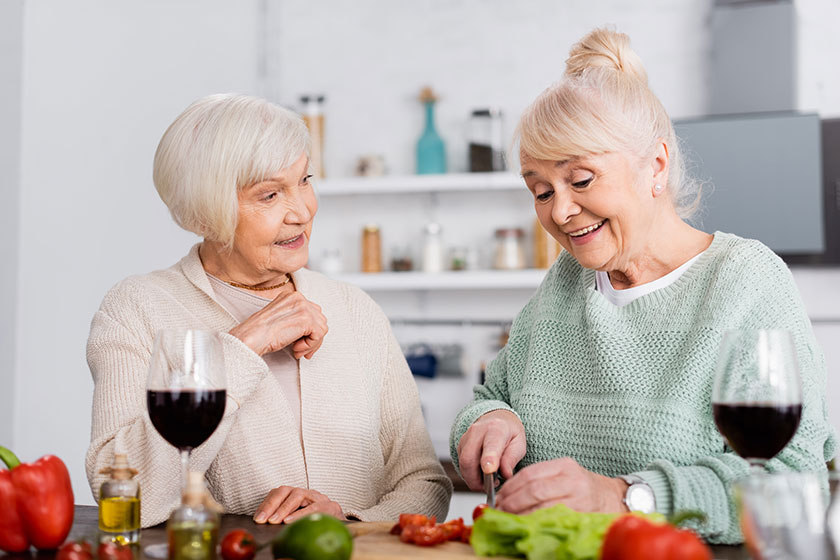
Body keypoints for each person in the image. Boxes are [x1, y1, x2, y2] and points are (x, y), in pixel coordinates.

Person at [450, 28, 836, 544]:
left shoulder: (745, 281)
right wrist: (489, 420)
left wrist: (625, 496)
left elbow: (791, 477)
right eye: (541, 190)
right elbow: (489, 396)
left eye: (581, 180)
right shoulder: (566, 282)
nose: (560, 211)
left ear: (655, 165)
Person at [86, 94, 452, 527]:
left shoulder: (354, 308)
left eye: (305, 180)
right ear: (205, 214)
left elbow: (424, 483)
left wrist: (350, 523)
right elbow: (123, 494)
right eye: (270, 194)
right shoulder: (138, 309)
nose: (301, 210)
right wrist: (243, 347)